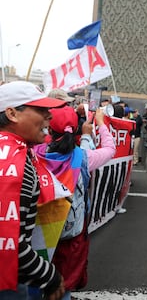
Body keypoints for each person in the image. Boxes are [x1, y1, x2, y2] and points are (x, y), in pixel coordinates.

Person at [33, 106, 115, 300]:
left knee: (35, 280)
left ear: (49, 129)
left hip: (39, 230)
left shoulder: (34, 153)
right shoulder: (83, 157)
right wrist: (101, 124)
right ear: (77, 129)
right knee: (64, 285)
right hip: (72, 231)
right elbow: (110, 149)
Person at [0, 81, 66, 300]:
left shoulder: (14, 153)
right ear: (12, 113)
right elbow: (10, 245)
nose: (49, 116)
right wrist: (51, 277)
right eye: (40, 109)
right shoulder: (15, 166)